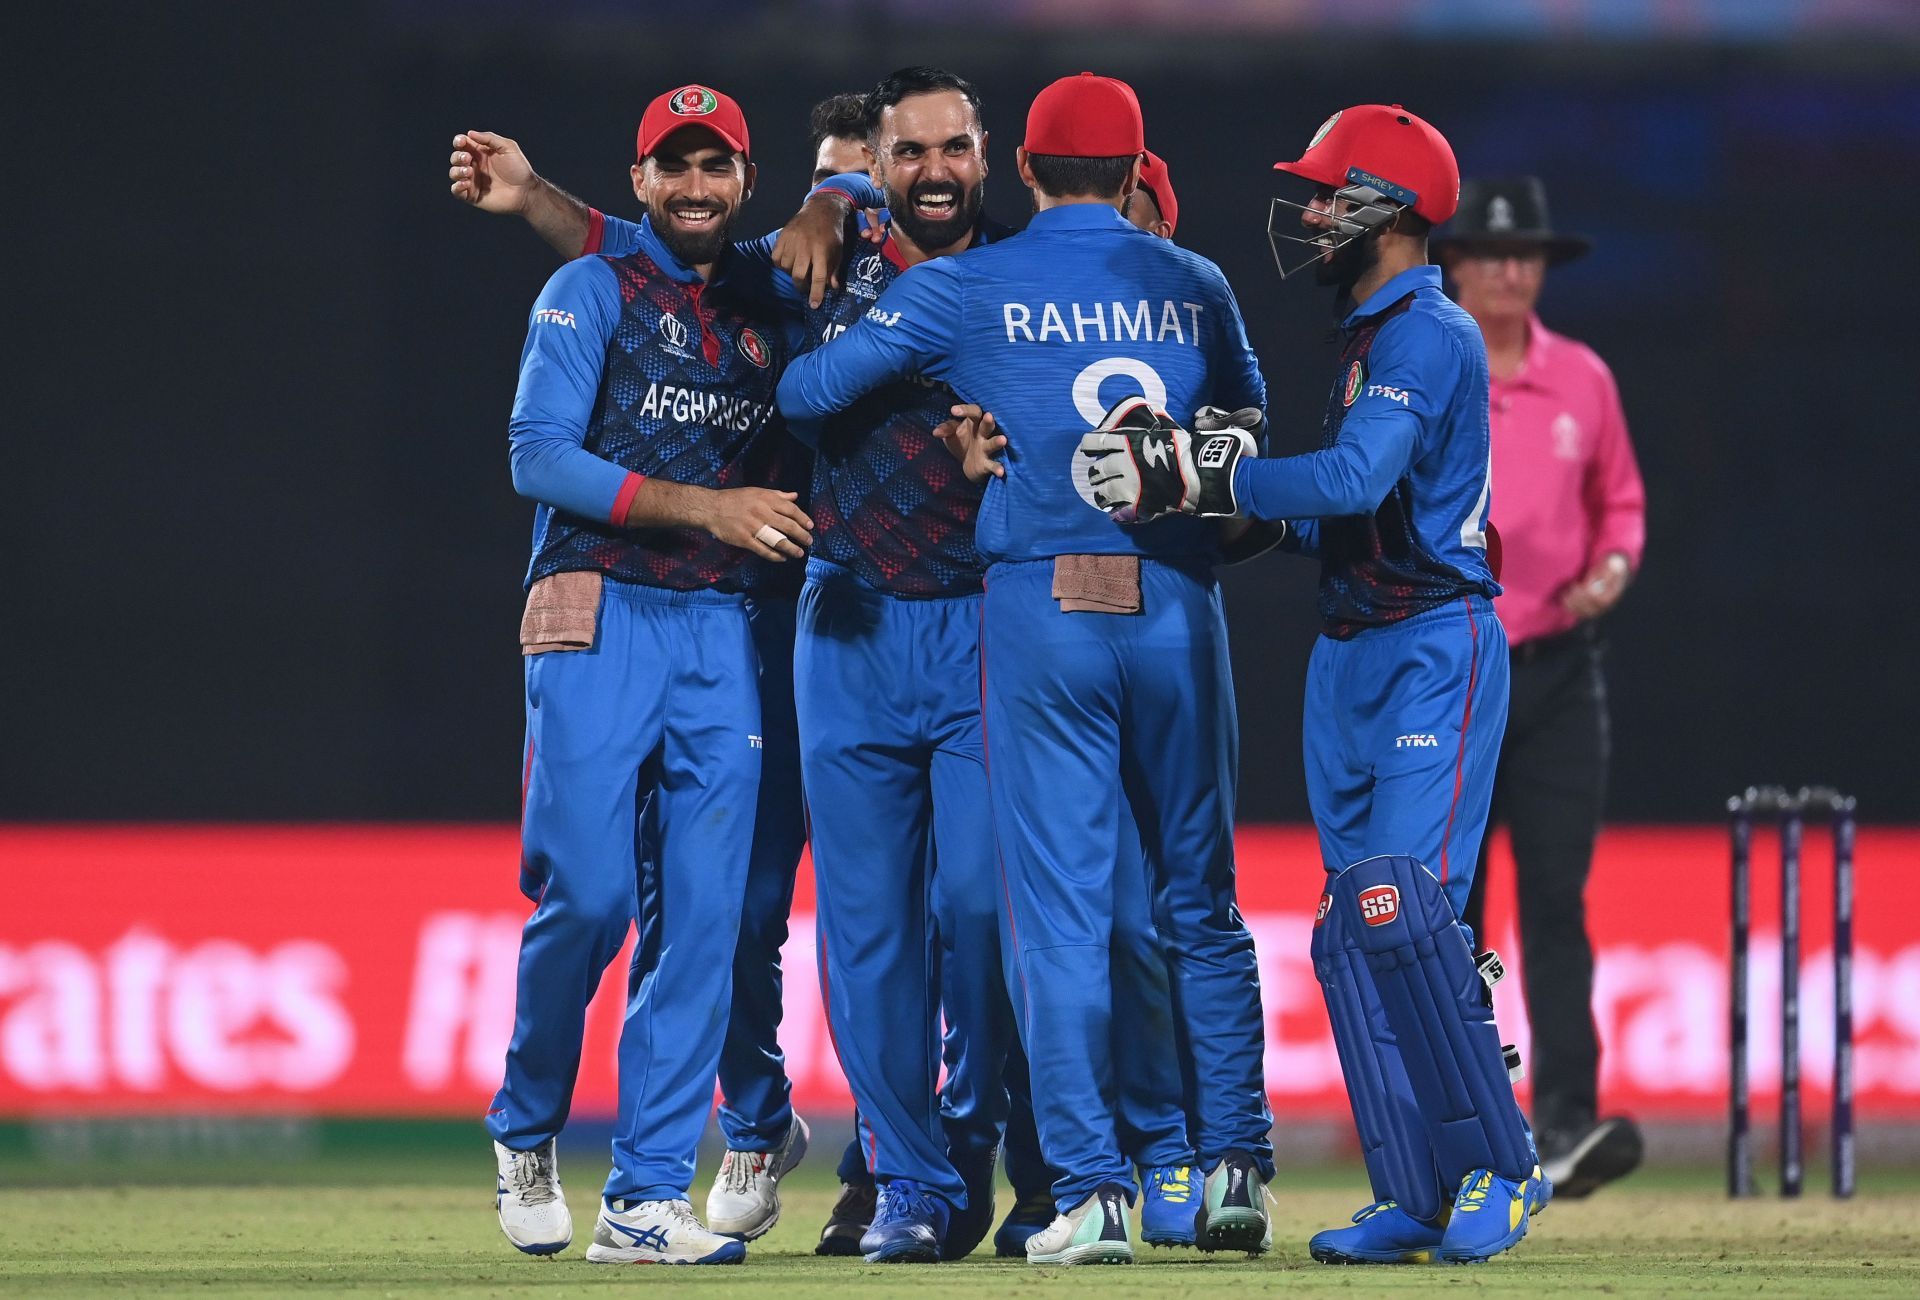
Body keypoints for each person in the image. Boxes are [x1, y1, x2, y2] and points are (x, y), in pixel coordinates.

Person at [778, 72, 1275, 1267]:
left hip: (1027, 610)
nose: (936, 169)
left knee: (1038, 915)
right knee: (1196, 899)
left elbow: (804, 391)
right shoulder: (1194, 282)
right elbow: (1247, 438)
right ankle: (1228, 1174)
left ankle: (1085, 1188)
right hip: (1169, 602)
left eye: (959, 148)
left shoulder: (972, 285)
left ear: (1022, 166)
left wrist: (941, 370)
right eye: (908, 153)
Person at [1077, 103, 1545, 1265]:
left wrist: (1193, 466)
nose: (1316, 215)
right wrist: (1212, 510)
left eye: (1335, 195)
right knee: (1356, 931)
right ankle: (1417, 1190)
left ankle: (1499, 1166)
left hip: (1434, 645)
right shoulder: (1362, 333)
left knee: (1407, 916)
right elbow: (1338, 518)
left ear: (1391, 209)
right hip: (1351, 651)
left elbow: (1351, 475)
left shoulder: (1426, 331)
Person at [485, 83, 813, 1266]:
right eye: (671, 167)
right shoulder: (586, 288)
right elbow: (539, 456)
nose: (693, 186)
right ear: (638, 183)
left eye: (713, 166)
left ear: (742, 178)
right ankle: (525, 1129)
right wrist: (709, 507)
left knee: (707, 927)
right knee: (588, 899)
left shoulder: (774, 301)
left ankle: (641, 1201)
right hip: (594, 610)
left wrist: (834, 192)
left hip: (720, 629)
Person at [1435, 176, 1647, 1199]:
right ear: (1456, 266)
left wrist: (1612, 568)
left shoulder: (1585, 380)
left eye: (1527, 256)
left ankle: (1564, 1119)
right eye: (1492, 253)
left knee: (1556, 903)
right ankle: (1462, 1112)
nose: (1512, 271)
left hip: (1560, 670)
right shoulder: (1431, 369)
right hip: (1456, 670)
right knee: (1456, 910)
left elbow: (1623, 507)